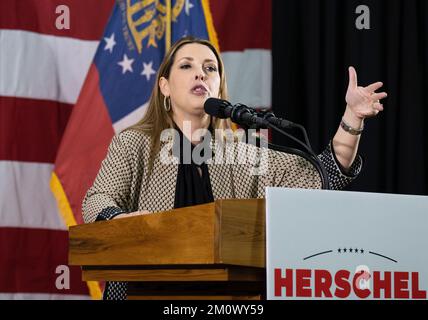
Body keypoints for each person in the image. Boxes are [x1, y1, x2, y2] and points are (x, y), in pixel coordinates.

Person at [82, 37, 387, 299]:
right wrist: (122, 220)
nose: (200, 73)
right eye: (187, 66)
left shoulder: (243, 150)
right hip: (143, 289)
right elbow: (97, 200)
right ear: (165, 86)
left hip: (226, 296)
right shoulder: (135, 143)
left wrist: (352, 118)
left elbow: (324, 175)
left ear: (219, 86)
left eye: (210, 68)